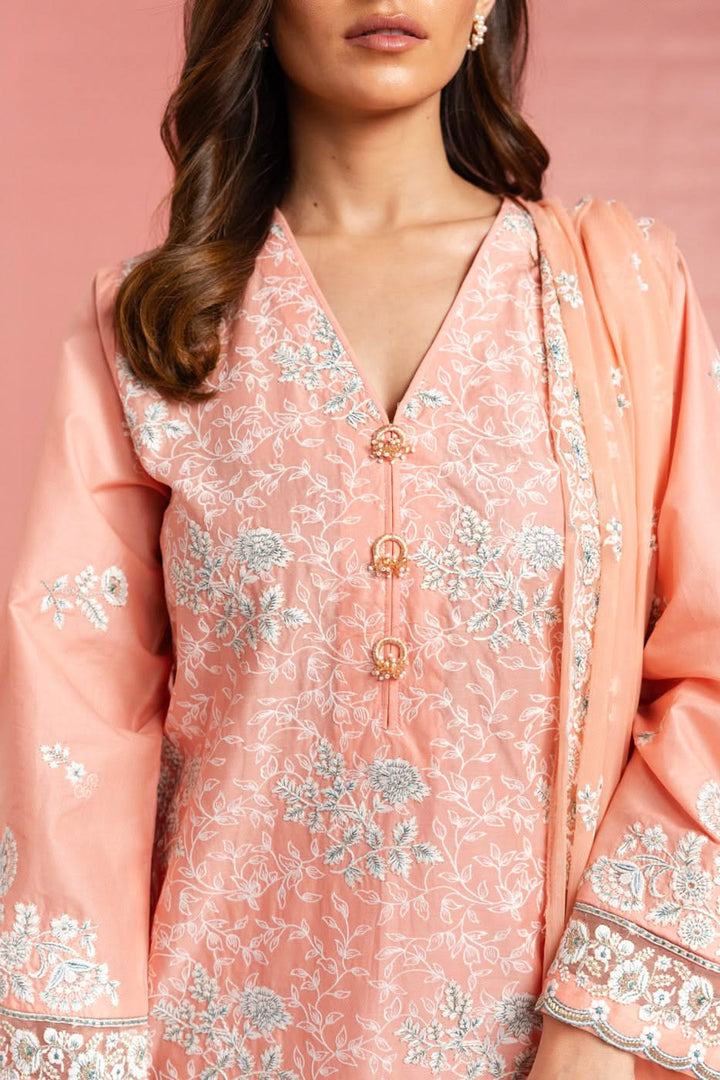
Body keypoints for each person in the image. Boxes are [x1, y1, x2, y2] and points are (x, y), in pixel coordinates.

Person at [1, 1, 719, 1078]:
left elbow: (709, 665)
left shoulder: (622, 301)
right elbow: (71, 745)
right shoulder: (157, 326)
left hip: (556, 1050)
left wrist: (603, 1025)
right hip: (216, 1037)